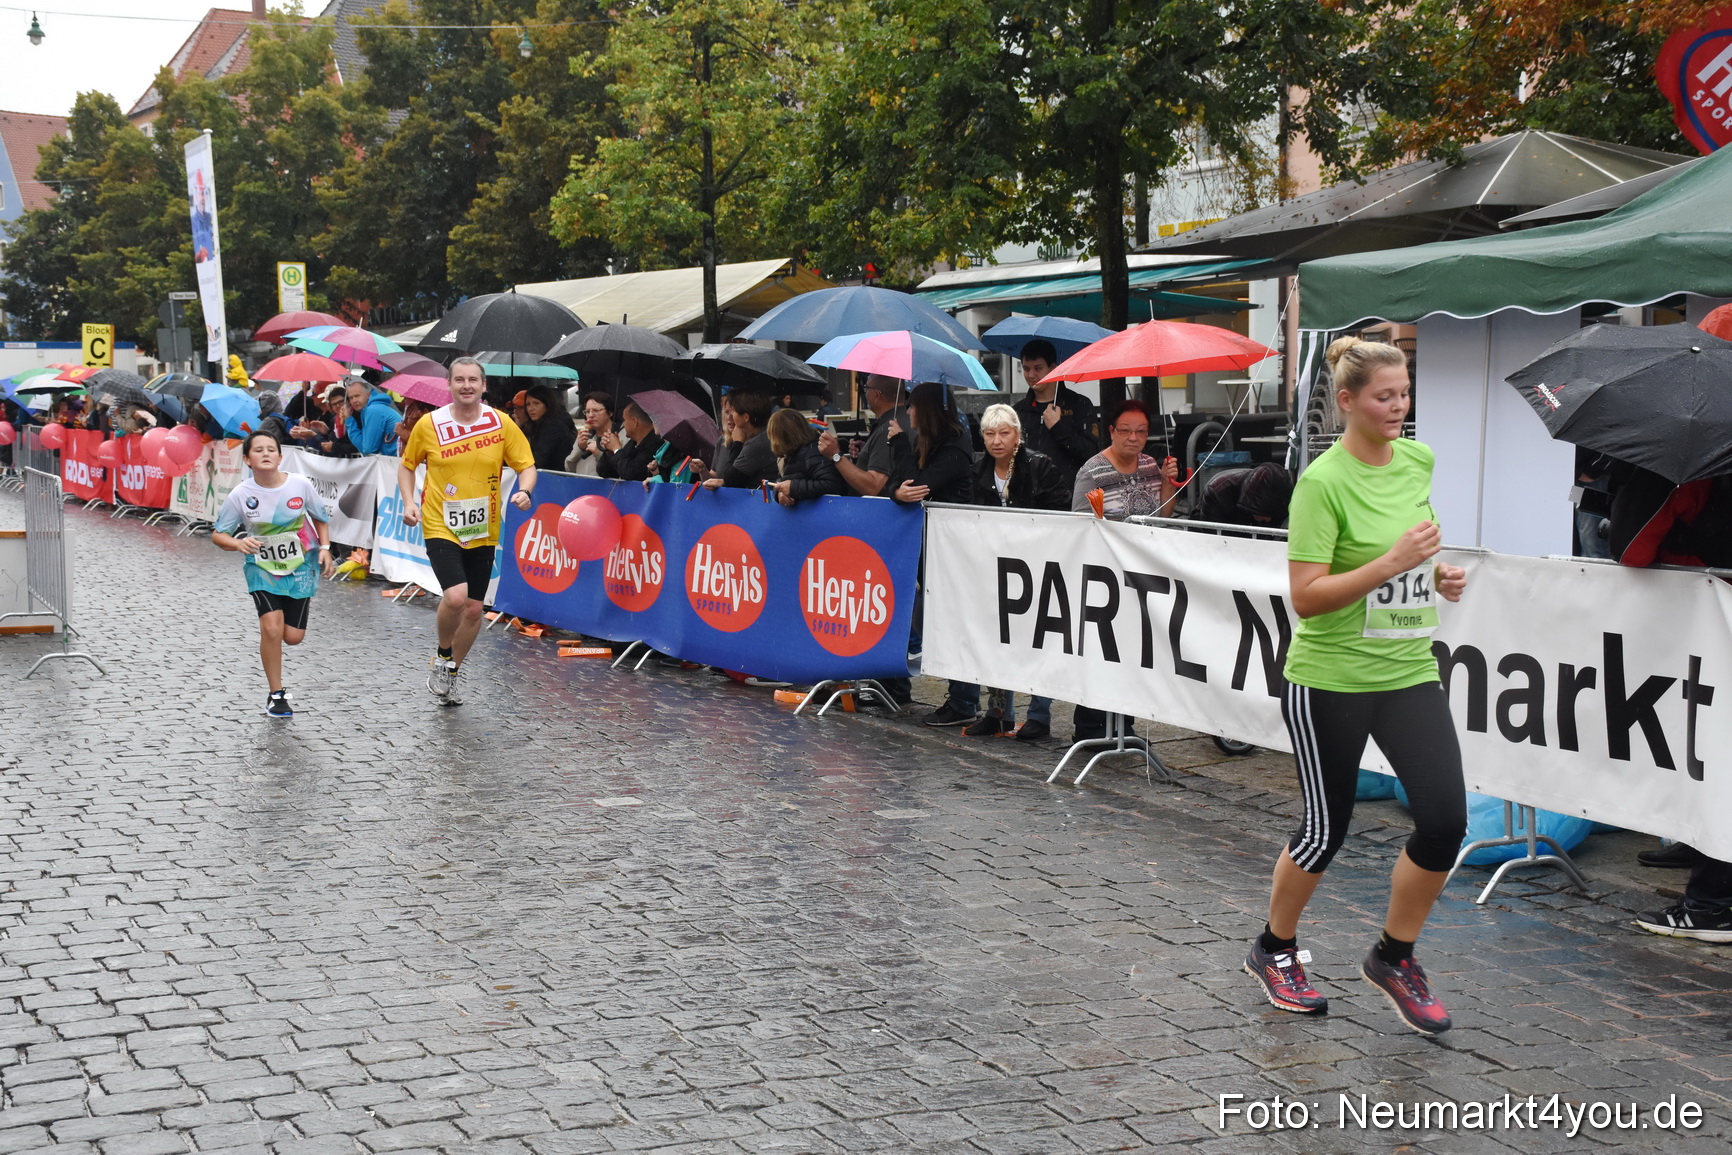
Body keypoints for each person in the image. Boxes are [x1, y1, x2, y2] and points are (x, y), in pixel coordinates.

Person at [1245, 336, 1469, 1037]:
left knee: (1445, 821)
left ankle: (1393, 957)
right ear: (1347, 401)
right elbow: (1307, 597)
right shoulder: (1322, 483)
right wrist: (1392, 563)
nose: (1399, 407)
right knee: (1325, 829)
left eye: (1405, 394)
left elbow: (1415, 548)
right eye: (1384, 396)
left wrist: (1436, 575)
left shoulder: (1417, 460)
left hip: (1407, 669)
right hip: (1331, 678)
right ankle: (1274, 948)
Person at [397, 357, 538, 705]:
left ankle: (451, 672)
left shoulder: (500, 423)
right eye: (459, 379)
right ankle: (443, 654)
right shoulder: (430, 424)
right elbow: (407, 466)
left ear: (484, 385)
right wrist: (409, 502)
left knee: (475, 609)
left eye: (473, 380)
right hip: (439, 522)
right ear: (449, 385)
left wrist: (525, 491)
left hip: (483, 527)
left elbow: (527, 466)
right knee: (457, 597)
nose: (466, 386)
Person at [960, 403, 1069, 740]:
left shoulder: (1039, 465)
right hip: (994, 567)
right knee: (996, 637)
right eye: (990, 434)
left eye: (1004, 433)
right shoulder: (977, 471)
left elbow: (1061, 511)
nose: (997, 440)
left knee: (1038, 639)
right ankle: (997, 713)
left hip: (1038, 565)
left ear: (1018, 435)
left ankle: (1039, 715)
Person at [210, 430, 336, 718]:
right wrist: (239, 543)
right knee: (271, 628)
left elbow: (321, 517)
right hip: (262, 568)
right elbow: (218, 534)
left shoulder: (300, 485)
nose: (266, 453)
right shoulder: (241, 494)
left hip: (301, 565)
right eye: (258, 450)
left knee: (293, 637)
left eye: (271, 449)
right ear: (247, 459)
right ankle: (276, 694)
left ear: (280, 457)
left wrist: (326, 548)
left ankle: (278, 681)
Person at [1011, 339, 1101, 485]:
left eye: (1038, 368)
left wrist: (1058, 427)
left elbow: (1091, 453)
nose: (1031, 375)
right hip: (1030, 492)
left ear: (1053, 368)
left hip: (1069, 490)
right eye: (1026, 369)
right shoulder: (1018, 411)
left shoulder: (1079, 404)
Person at [1070, 399, 1179, 519]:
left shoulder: (1150, 465)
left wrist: (1167, 483)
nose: (1133, 438)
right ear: (1112, 432)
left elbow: (1164, 516)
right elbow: (1080, 522)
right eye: (1125, 431)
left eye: (1141, 431)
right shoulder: (1091, 473)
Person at [817, 374, 908, 497]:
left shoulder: (890, 428)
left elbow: (872, 487)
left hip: (874, 507)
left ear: (876, 395)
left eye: (866, 388)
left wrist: (836, 455)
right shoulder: (903, 419)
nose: (865, 393)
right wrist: (866, 453)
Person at [766, 408, 845, 506]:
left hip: (825, 510)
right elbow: (781, 479)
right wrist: (779, 493)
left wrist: (793, 488)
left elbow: (832, 485)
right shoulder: (791, 453)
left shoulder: (813, 452)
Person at [700, 391, 776, 489]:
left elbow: (731, 480)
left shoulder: (758, 443)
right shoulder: (764, 436)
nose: (730, 416)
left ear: (746, 417)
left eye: (733, 412)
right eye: (727, 412)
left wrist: (738, 443)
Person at [596, 399, 666, 482]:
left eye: (624, 420)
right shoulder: (632, 443)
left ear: (634, 422)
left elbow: (631, 473)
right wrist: (610, 451)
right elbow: (604, 472)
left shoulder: (656, 443)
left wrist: (616, 449)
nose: (623, 424)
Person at [521, 384, 577, 473]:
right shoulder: (538, 424)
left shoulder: (553, 426)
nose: (531, 408)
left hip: (558, 476)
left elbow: (539, 460)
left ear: (547, 405)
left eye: (536, 403)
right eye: (528, 404)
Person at [344, 378, 401, 456]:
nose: (354, 401)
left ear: (368, 395)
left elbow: (368, 450)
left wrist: (349, 420)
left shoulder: (373, 410)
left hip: (397, 459)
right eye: (351, 398)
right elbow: (365, 447)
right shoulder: (370, 408)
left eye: (357, 396)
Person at [566, 392, 616, 475]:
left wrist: (599, 454)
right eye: (587, 411)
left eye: (596, 410)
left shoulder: (619, 436)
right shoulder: (585, 436)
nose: (590, 415)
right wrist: (579, 448)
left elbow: (619, 470)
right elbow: (569, 467)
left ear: (610, 412)